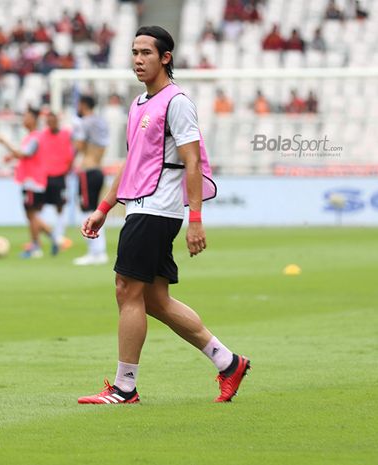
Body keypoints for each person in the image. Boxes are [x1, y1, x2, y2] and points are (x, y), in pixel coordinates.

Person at [77, 26, 250, 404]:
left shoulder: (178, 102)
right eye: (134, 52)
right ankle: (229, 363)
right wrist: (105, 208)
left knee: (126, 290)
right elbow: (130, 162)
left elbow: (192, 162)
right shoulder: (139, 104)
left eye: (146, 53)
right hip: (139, 206)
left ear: (165, 58)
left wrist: (196, 219)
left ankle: (125, 388)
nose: (138, 60)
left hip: (158, 208)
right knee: (154, 300)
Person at [0, 108, 58, 258]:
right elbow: (24, 155)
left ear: (34, 120)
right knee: (32, 215)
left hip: (33, 181)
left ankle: (36, 246)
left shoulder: (35, 137)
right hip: (31, 180)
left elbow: (24, 153)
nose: (24, 120)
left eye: (27, 117)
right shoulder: (31, 137)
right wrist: (12, 156)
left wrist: (5, 143)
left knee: (31, 214)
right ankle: (52, 238)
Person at [72, 95, 109, 265]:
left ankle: (95, 252)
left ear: (83, 105)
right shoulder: (101, 122)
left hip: (87, 170)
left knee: (87, 211)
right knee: (96, 210)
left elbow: (78, 146)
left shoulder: (84, 122)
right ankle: (99, 251)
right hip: (99, 169)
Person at [40, 112, 74, 248]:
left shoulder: (65, 135)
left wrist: (67, 171)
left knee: (60, 206)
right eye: (49, 121)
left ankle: (59, 236)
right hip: (45, 176)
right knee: (39, 206)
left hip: (60, 176)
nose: (51, 123)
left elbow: (70, 155)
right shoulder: (42, 136)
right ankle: (41, 238)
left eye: (53, 121)